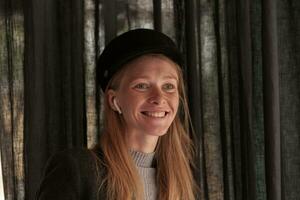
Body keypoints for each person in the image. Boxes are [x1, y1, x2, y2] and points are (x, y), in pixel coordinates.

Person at [36, 28, 198, 200]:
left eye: (168, 86)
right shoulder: (77, 170)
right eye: (142, 85)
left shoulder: (180, 178)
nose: (159, 98)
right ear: (114, 101)